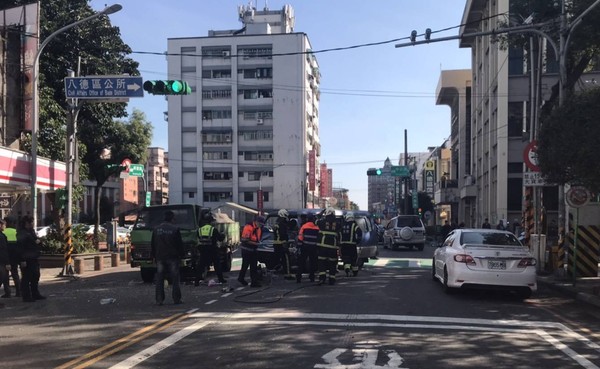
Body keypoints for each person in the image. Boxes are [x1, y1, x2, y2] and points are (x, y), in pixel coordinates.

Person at [151, 210, 184, 305]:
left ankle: (159, 300)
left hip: (160, 257)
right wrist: (182, 256)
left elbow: (153, 244)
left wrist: (153, 256)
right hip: (173, 257)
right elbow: (179, 245)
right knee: (175, 278)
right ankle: (176, 299)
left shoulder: (156, 229)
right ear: (172, 219)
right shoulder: (175, 229)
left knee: (159, 279)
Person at [17, 216, 44, 302]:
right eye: (31, 222)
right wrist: (22, 260)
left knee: (35, 276)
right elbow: (20, 247)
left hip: (34, 256)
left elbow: (35, 241)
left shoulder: (31, 232)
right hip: (26, 258)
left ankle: (35, 293)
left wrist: (38, 242)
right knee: (26, 278)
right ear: (26, 224)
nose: (32, 224)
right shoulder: (22, 233)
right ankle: (26, 296)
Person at [196, 214, 226, 286]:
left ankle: (197, 281)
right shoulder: (213, 229)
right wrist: (223, 235)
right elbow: (220, 238)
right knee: (217, 265)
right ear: (211, 222)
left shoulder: (199, 230)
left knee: (201, 266)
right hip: (212, 249)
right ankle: (221, 279)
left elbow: (198, 239)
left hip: (203, 250)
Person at [238, 215, 264, 287]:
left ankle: (254, 282)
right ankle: (241, 278)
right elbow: (244, 240)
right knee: (245, 265)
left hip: (254, 249)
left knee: (253, 266)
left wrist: (258, 243)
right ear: (256, 221)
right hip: (247, 249)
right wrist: (255, 243)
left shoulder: (258, 229)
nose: (260, 225)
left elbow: (257, 238)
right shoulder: (248, 227)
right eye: (260, 223)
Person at [317, 207, 341, 285]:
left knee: (321, 262)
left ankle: (322, 278)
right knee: (332, 263)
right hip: (333, 247)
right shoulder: (337, 223)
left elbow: (315, 220)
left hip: (323, 246)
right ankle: (332, 279)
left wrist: (321, 213)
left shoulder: (322, 222)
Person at [296, 213, 319, 283]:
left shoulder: (304, 226)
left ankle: (299, 277)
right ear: (313, 219)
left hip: (305, 247)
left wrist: (299, 247)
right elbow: (319, 238)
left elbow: (300, 238)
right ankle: (312, 277)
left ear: (307, 219)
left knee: (301, 262)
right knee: (312, 263)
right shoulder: (317, 227)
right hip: (313, 248)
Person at [339, 212, 362, 277]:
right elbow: (359, 232)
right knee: (353, 259)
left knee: (346, 259)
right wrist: (358, 241)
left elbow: (339, 234)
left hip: (343, 245)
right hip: (352, 245)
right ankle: (355, 272)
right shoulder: (354, 225)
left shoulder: (342, 225)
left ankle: (347, 271)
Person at [273, 209, 294, 280]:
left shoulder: (277, 222)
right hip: (282, 244)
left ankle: (279, 269)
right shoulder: (282, 223)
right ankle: (288, 274)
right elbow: (283, 234)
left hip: (276, 244)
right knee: (286, 259)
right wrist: (285, 242)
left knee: (280, 260)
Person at [3, 218, 20, 297]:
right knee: (15, 274)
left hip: (5, 256)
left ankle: (8, 292)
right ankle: (18, 292)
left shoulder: (3, 232)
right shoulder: (16, 232)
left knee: (5, 275)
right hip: (14, 256)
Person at [0, 219, 11, 298]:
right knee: (3, 277)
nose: (5, 227)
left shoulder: (2, 235)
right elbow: (4, 250)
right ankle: (8, 292)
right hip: (2, 261)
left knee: (5, 278)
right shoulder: (1, 236)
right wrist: (7, 262)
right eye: (4, 225)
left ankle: (8, 292)